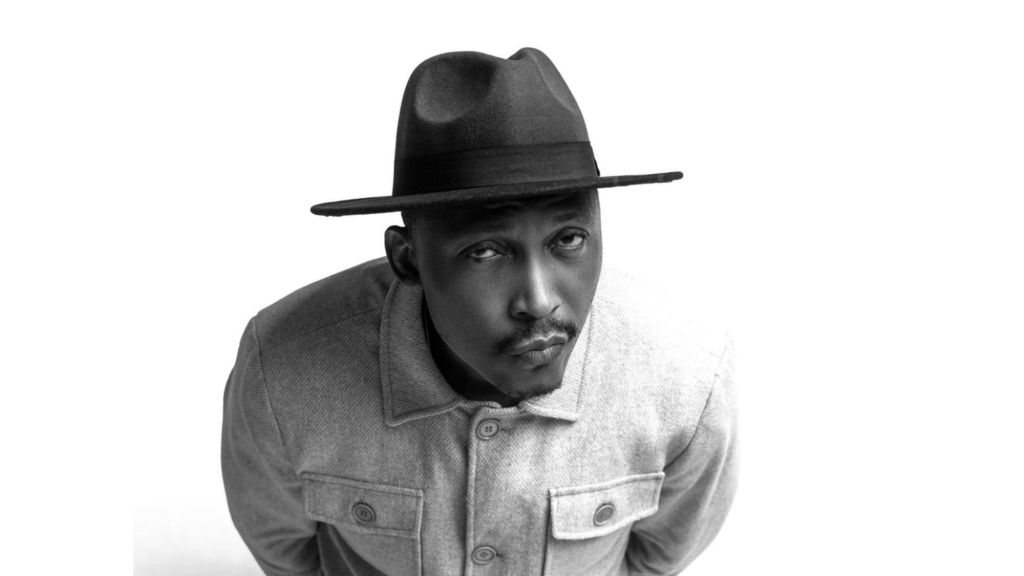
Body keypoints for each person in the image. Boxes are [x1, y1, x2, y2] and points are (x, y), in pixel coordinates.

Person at [222, 47, 737, 576]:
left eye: (568, 239)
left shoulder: (687, 378)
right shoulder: (282, 372)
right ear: (408, 258)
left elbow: (656, 559)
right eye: (486, 251)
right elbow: (286, 552)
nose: (539, 300)